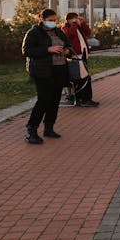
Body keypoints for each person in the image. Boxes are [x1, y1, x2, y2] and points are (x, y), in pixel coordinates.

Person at [21, 9, 73, 143]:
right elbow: (26, 50)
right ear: (41, 19)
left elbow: (68, 45)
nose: (53, 23)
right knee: (43, 100)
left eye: (55, 20)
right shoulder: (34, 33)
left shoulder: (58, 31)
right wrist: (47, 49)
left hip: (60, 69)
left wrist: (67, 50)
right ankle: (31, 130)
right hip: (43, 71)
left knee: (55, 100)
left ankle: (49, 128)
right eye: (50, 20)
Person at [61, 12, 99, 107]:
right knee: (82, 77)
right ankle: (81, 98)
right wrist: (74, 24)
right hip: (75, 56)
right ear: (69, 20)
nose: (76, 20)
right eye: (74, 19)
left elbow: (88, 32)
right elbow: (71, 34)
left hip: (83, 54)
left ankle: (81, 97)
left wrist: (82, 23)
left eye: (77, 19)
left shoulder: (78, 27)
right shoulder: (65, 28)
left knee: (84, 76)